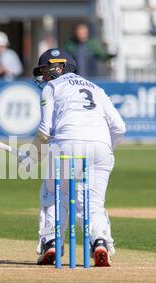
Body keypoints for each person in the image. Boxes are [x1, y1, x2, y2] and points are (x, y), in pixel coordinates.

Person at [20, 48, 125, 267]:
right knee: (93, 204)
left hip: (67, 144)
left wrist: (32, 156)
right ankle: (100, 242)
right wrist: (103, 148)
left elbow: (44, 130)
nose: (44, 77)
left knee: (53, 194)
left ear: (58, 68)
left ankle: (51, 243)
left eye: (46, 71)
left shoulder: (52, 87)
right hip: (102, 147)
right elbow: (120, 127)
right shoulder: (96, 88)